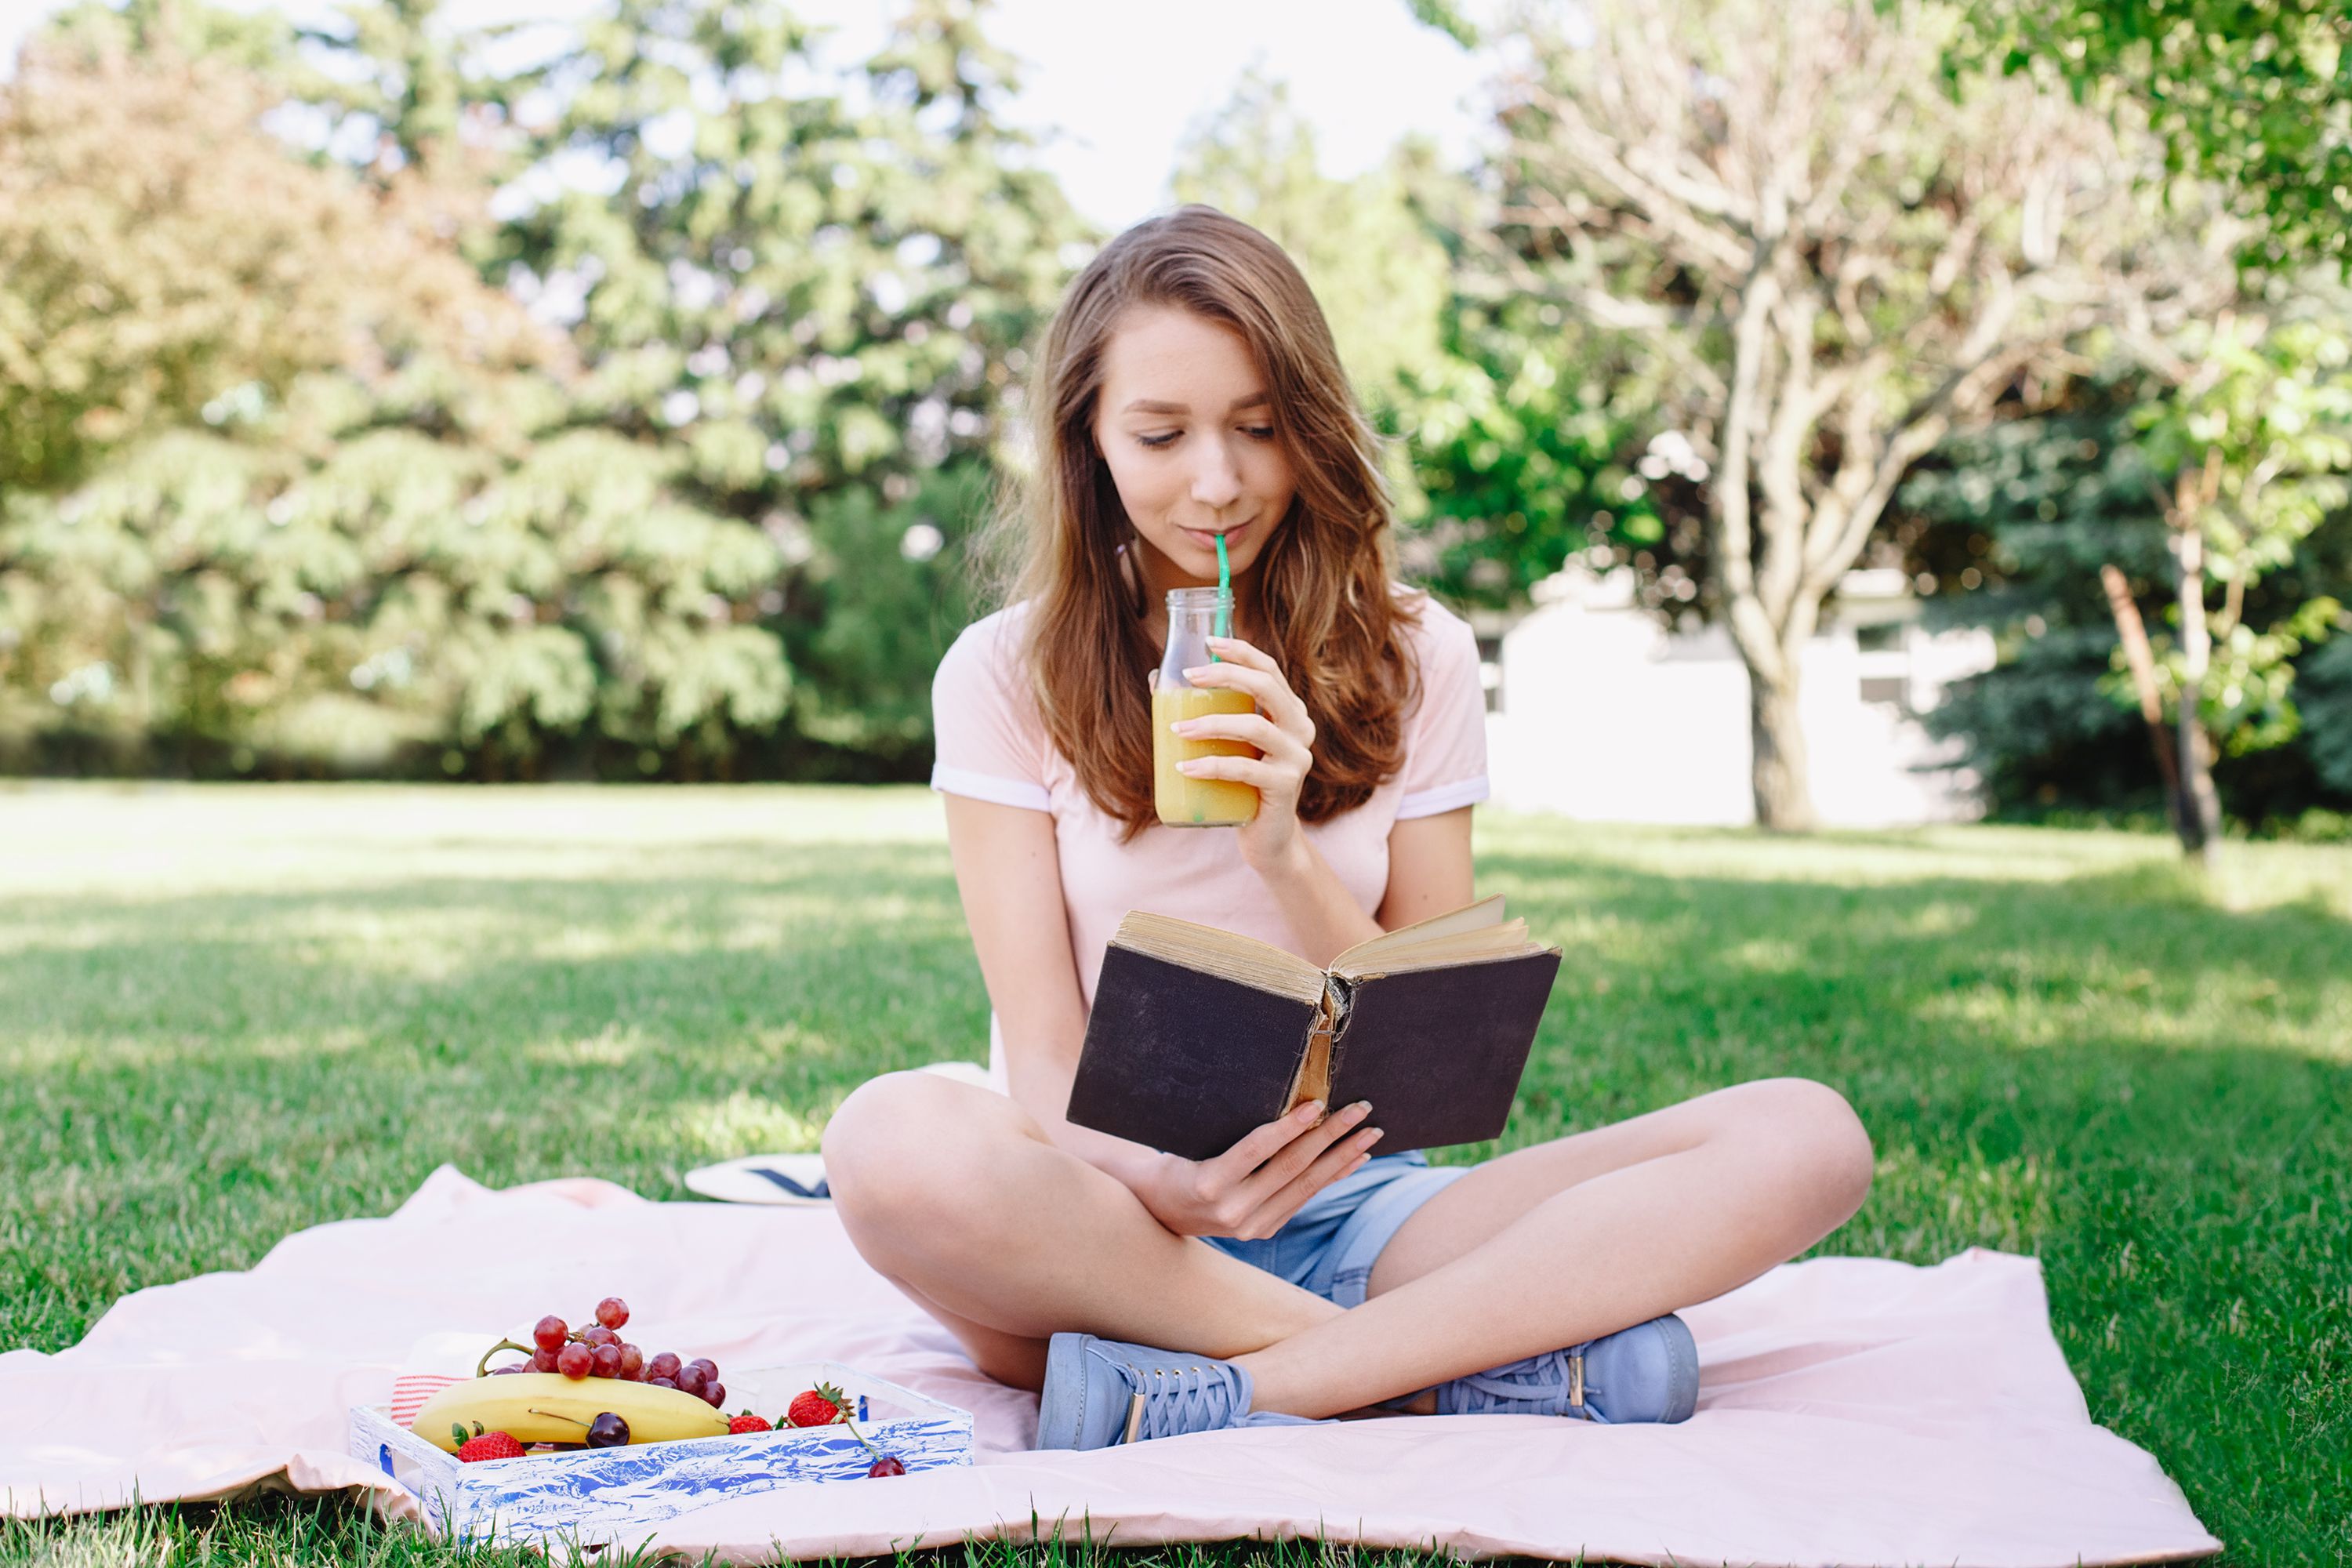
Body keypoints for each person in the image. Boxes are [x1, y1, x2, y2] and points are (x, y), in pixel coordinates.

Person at [821, 205, 1875, 1449]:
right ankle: (1453, 1361)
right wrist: (1175, 1189)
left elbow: (1431, 1042)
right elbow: (1044, 1063)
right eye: (1161, 435)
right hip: (1115, 1232)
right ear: (1089, 442)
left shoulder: (1417, 654)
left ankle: (1254, 1387)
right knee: (887, 1138)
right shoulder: (1003, 673)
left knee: (1808, 1134)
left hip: (1367, 1209)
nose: (1217, 482)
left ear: (1310, 430)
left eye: (1260, 430)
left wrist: (1283, 845)